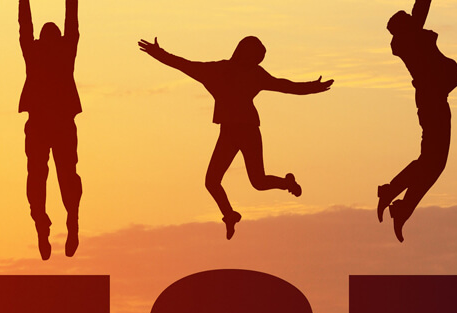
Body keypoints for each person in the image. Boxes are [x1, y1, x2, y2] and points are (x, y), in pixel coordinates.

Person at [139, 36, 332, 240]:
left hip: (248, 131)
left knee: (257, 181)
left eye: (258, 61)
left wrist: (312, 87)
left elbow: (284, 85)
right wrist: (158, 53)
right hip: (229, 132)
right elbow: (182, 64)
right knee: (212, 181)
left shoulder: (254, 74)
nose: (256, 64)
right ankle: (230, 215)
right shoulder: (217, 71)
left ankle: (287, 183)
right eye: (255, 59)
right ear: (244, 54)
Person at [376, 0, 457, 242]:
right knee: (433, 162)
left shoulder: (408, 39)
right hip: (433, 102)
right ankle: (393, 194)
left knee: (432, 162)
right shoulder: (409, 39)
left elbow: (419, 11)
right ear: (404, 25)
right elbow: (421, 7)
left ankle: (399, 202)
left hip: (432, 101)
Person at [20, 0, 82, 260]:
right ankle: (60, 220)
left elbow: (25, 25)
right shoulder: (65, 50)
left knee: (42, 176)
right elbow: (72, 20)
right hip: (55, 123)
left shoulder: (35, 52)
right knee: (62, 175)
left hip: (45, 123)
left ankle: (49, 222)